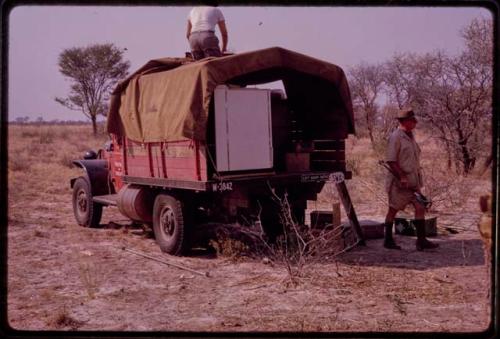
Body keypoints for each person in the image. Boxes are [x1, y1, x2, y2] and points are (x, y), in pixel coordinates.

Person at [383, 109, 438, 251]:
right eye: (413, 120)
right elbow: (391, 160)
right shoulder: (396, 137)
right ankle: (388, 240)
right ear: (405, 121)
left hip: (413, 181)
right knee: (393, 210)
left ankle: (421, 241)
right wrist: (401, 176)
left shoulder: (411, 136)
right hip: (399, 182)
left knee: (420, 207)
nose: (415, 122)